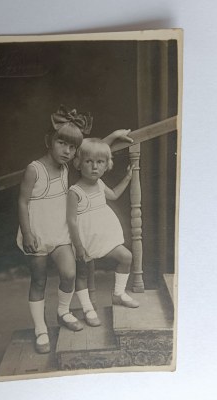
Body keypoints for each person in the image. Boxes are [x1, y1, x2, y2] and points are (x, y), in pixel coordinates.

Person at [17, 105, 132, 353]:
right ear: (49, 140)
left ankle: (63, 312)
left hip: (60, 233)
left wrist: (112, 136)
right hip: (36, 232)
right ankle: (40, 329)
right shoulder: (34, 169)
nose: (67, 151)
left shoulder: (68, 166)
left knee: (69, 274)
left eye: (72, 148)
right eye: (62, 144)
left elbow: (94, 151)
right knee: (38, 280)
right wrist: (27, 233)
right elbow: (23, 202)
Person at [67, 138, 139, 327]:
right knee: (82, 274)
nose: (94, 167)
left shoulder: (99, 184)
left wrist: (128, 178)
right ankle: (87, 308)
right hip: (84, 239)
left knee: (126, 257)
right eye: (89, 161)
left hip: (105, 237)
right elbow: (72, 221)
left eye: (100, 162)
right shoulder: (74, 192)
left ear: (106, 165)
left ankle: (118, 293)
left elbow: (114, 195)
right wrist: (78, 246)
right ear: (78, 163)